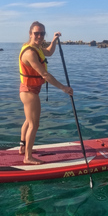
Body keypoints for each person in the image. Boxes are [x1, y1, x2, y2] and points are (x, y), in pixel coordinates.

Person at [19, 21, 73, 165]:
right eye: (36, 33)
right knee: (34, 124)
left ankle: (23, 148)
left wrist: (54, 39)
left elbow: (49, 51)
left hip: (29, 91)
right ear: (30, 34)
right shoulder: (30, 52)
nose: (40, 36)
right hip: (29, 92)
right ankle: (28, 158)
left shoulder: (38, 47)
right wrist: (63, 88)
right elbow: (45, 75)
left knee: (28, 120)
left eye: (42, 33)